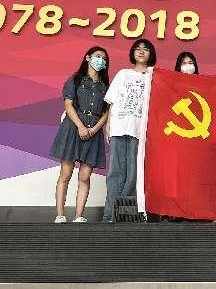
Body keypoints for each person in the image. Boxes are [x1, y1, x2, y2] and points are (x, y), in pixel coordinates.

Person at [50, 46, 110, 224]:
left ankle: (79, 216)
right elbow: (68, 105)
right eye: (98, 56)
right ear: (88, 58)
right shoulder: (75, 80)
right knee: (65, 174)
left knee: (84, 176)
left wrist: (94, 129)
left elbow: (106, 112)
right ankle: (60, 215)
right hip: (73, 128)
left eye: (104, 58)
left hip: (94, 131)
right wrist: (81, 126)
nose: (101, 60)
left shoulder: (106, 86)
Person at [103, 38, 156, 223]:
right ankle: (109, 216)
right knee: (115, 172)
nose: (141, 51)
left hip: (140, 131)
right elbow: (111, 102)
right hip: (119, 128)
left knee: (134, 174)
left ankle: (125, 216)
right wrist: (108, 125)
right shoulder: (123, 74)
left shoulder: (154, 77)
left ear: (151, 54)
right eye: (138, 48)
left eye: (146, 49)